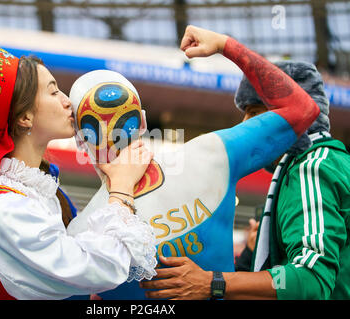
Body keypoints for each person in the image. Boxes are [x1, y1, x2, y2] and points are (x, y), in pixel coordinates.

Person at [65, 25, 321, 299]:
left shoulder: (82, 236)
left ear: (80, 140)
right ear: (141, 121)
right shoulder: (211, 155)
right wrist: (226, 46)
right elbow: (302, 109)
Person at [0, 38, 157, 300]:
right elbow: (94, 268)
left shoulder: (31, 186)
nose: (68, 102)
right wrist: (121, 189)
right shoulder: (6, 207)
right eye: (54, 92)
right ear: (25, 117)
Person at [141, 60, 350, 300]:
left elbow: (311, 278)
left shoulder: (312, 165)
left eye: (254, 113)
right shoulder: (315, 164)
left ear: (287, 116)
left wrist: (212, 282)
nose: (245, 124)